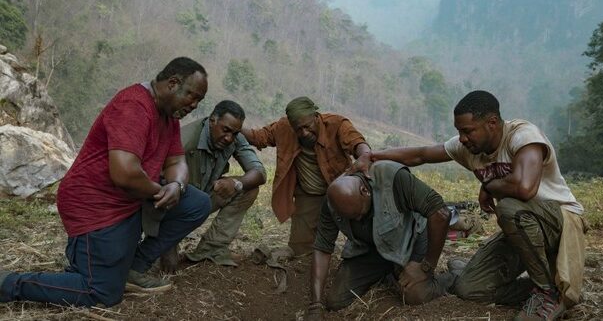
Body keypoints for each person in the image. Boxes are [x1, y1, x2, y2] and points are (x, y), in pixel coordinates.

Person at [352, 90, 586, 321]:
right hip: (522, 230)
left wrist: (489, 186)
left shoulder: (523, 136)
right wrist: (372, 156)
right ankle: (551, 289)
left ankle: (547, 293)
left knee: (509, 209)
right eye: (459, 132)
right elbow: (420, 154)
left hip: (559, 222)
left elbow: (524, 188)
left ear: (492, 123)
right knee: (468, 289)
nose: (463, 138)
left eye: (468, 131)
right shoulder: (468, 148)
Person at [0, 57, 212, 307]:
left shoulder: (169, 116)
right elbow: (124, 174)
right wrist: (161, 191)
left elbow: (177, 162)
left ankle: (133, 267)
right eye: (192, 96)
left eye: (199, 100)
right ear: (173, 83)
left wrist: (176, 186)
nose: (195, 105)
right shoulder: (134, 105)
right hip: (95, 203)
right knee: (101, 292)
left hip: (132, 199)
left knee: (197, 203)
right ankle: (9, 284)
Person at [305, 161, 452, 318]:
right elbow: (322, 248)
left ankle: (452, 278)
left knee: (415, 295)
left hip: (411, 241)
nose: (358, 221)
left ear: (364, 191)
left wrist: (426, 266)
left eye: (359, 215)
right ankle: (391, 271)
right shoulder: (332, 202)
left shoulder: (392, 178)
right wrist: (316, 305)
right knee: (336, 301)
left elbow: (440, 213)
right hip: (372, 249)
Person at [242, 96, 371, 255]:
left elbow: (357, 142)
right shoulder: (284, 127)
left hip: (340, 191)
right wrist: (235, 127)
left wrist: (365, 156)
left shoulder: (337, 124)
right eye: (298, 129)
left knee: (362, 239)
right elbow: (258, 137)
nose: (303, 133)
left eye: (307, 126)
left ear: (316, 117)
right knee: (300, 250)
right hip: (309, 195)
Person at [160, 100, 266, 269]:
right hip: (175, 206)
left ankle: (211, 248)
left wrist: (235, 183)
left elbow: (259, 172)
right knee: (168, 265)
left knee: (248, 188)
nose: (229, 138)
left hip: (203, 198)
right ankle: (167, 240)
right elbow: (159, 190)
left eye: (235, 133)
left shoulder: (234, 138)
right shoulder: (184, 142)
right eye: (225, 130)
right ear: (212, 121)